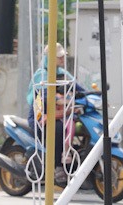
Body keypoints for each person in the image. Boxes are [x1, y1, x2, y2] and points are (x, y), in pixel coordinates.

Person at [27, 43, 86, 185]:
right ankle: (57, 167)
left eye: (62, 57)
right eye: (59, 57)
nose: (62, 60)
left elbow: (80, 89)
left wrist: (94, 95)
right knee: (58, 129)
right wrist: (65, 101)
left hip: (62, 114)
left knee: (77, 123)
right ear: (49, 58)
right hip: (41, 117)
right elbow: (47, 97)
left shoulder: (64, 75)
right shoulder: (41, 76)